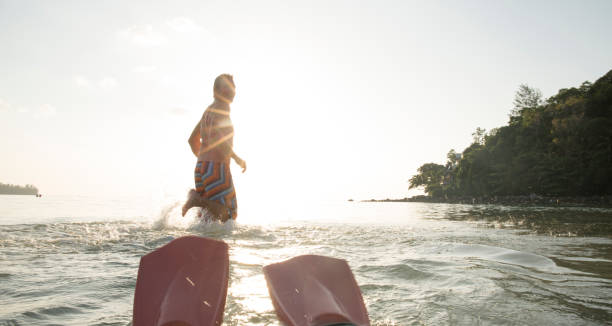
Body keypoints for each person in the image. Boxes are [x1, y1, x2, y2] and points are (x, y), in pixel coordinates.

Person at [181, 74, 246, 221]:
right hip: (217, 167)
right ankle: (197, 200)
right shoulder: (223, 106)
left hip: (201, 168)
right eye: (228, 87)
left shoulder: (207, 112)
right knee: (228, 214)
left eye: (233, 87)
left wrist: (204, 163)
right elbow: (220, 138)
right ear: (216, 91)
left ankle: (200, 240)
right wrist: (236, 158)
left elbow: (192, 140)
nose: (232, 90)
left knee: (209, 219)